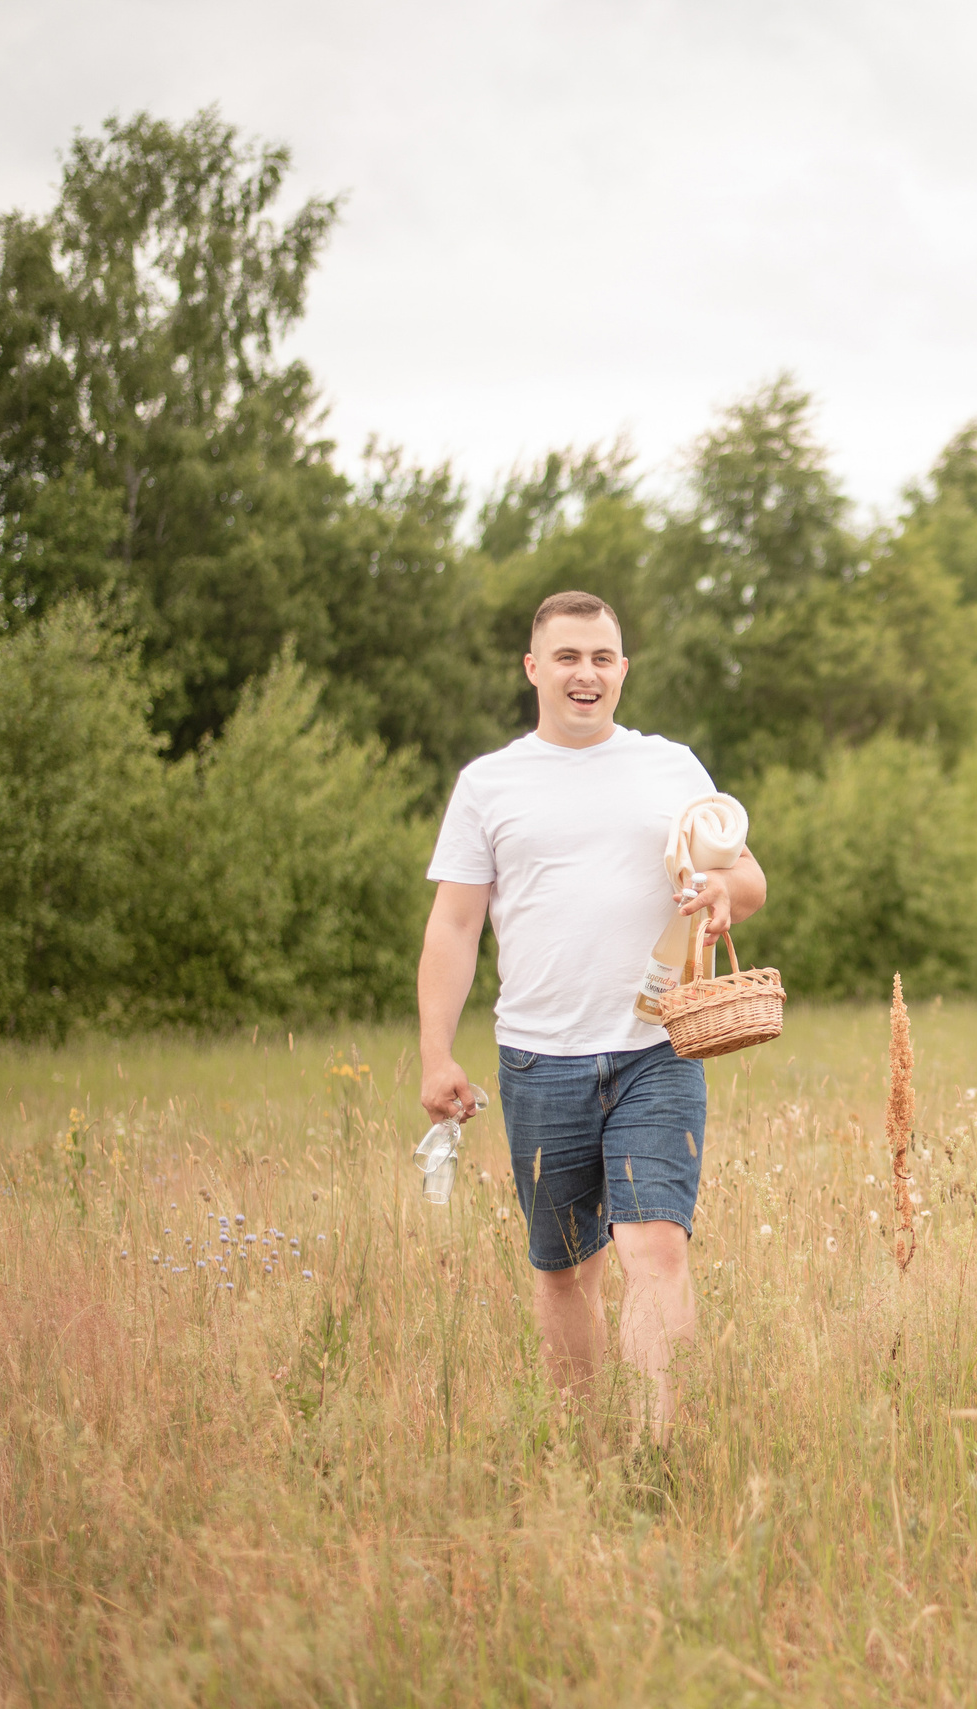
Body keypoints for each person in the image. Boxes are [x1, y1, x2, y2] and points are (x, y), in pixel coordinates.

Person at [418, 590, 766, 1427]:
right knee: (566, 1271)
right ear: (535, 668)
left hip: (658, 1046)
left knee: (655, 1245)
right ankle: (585, 1440)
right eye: (568, 657)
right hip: (539, 1060)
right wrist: (436, 1054)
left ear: (622, 671)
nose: (586, 673)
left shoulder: (671, 766)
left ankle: (654, 1446)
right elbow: (455, 925)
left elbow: (748, 877)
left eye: (602, 657)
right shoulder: (488, 784)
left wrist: (720, 888)